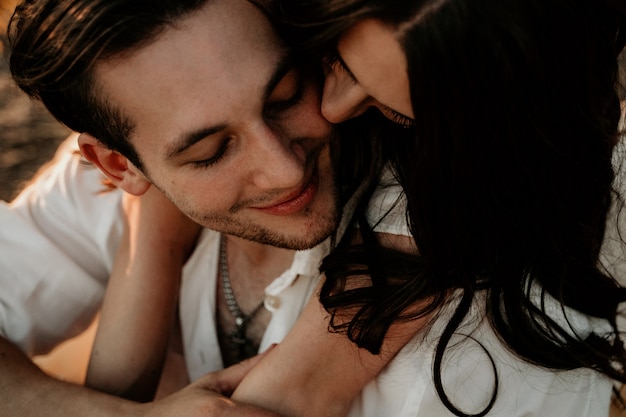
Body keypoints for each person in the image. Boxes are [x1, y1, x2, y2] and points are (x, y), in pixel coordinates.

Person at [74, 0, 626, 416]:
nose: (333, 108)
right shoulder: (158, 115)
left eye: (397, 113)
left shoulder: (475, 294)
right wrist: (152, 237)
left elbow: (288, 394)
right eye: (327, 60)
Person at [1, 0, 411, 414]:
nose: (284, 171)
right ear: (119, 165)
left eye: (284, 98)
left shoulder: (412, 209)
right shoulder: (99, 188)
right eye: (210, 152)